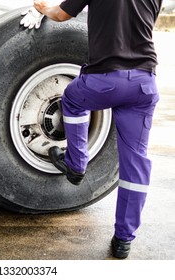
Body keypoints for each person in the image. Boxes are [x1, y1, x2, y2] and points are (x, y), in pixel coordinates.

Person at [20, 0, 162, 259]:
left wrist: (42, 8)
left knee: (72, 100)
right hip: (144, 83)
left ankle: (76, 164)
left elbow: (61, 15)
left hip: (104, 80)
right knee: (135, 163)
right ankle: (123, 240)